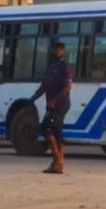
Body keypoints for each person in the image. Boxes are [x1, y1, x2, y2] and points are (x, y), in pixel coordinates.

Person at [30, 41, 72, 174]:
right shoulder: (51, 67)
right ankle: (58, 163)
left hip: (60, 105)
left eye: (59, 50)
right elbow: (44, 85)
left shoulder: (64, 67)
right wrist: (33, 98)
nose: (56, 52)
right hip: (52, 105)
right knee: (57, 132)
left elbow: (67, 87)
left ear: (62, 52)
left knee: (46, 129)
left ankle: (58, 161)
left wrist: (55, 100)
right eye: (55, 49)